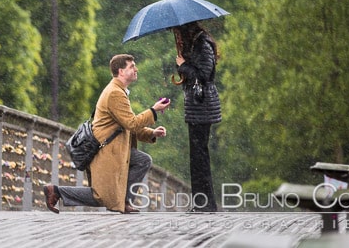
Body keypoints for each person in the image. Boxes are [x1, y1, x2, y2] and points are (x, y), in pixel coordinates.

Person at [43, 54, 171, 214]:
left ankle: (124, 201)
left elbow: (127, 124)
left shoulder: (119, 91)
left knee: (143, 160)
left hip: (115, 149)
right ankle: (56, 191)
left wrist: (152, 133)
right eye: (132, 66)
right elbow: (131, 123)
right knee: (102, 197)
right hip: (106, 150)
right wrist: (153, 110)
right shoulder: (115, 93)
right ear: (121, 71)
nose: (136, 69)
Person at [172, 21, 222, 212]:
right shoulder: (195, 44)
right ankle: (202, 203)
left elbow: (204, 75)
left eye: (178, 31)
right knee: (197, 156)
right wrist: (184, 63)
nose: (177, 35)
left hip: (203, 107)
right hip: (196, 107)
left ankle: (205, 203)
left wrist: (184, 65)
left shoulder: (202, 44)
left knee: (200, 156)